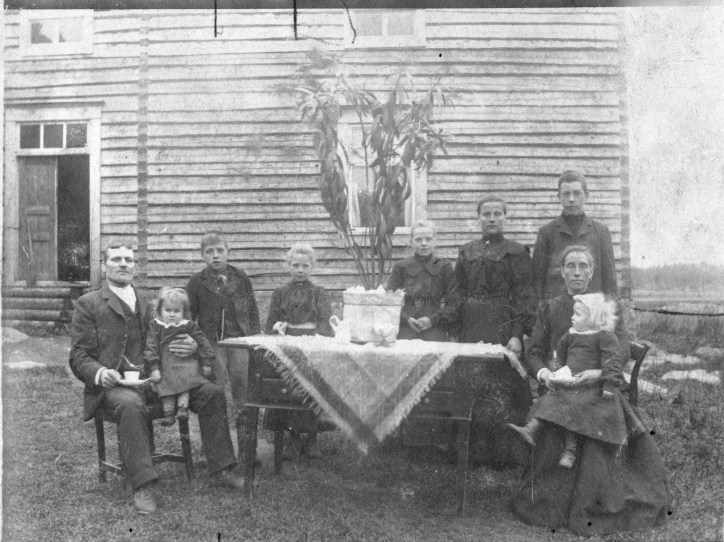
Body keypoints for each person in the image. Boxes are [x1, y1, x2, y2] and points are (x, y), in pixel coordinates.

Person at [69, 243, 244, 515]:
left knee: (211, 393)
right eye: (116, 259)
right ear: (104, 266)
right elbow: (79, 354)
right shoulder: (89, 303)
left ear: (134, 266)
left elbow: (183, 328)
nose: (123, 264)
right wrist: (101, 373)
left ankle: (222, 468)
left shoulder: (151, 300)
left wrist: (193, 345)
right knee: (131, 405)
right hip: (118, 385)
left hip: (163, 378)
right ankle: (142, 485)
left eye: (129, 260)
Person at [512, 245, 670, 536]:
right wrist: (546, 373)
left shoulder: (605, 306)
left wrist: (600, 372)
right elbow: (533, 351)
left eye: (583, 266)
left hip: (599, 387)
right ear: (562, 272)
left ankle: (596, 498)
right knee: (555, 408)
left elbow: (622, 345)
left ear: (591, 271)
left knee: (597, 414)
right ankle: (553, 497)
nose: (576, 272)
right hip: (563, 386)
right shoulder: (549, 308)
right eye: (570, 266)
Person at [451, 196, 537, 467]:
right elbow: (457, 292)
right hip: (471, 326)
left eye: (497, 213)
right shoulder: (467, 251)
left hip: (502, 326)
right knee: (472, 384)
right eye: (486, 214)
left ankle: (504, 455)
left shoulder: (517, 252)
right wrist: (455, 328)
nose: (491, 219)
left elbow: (524, 296)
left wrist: (517, 334)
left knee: (502, 386)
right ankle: (474, 453)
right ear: (478, 218)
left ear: (505, 217)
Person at [508, 293, 630, 469]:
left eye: (578, 314)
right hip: (572, 381)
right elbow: (560, 354)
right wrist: (556, 371)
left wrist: (608, 387)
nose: (572, 318)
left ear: (592, 319)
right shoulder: (572, 335)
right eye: (573, 313)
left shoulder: (605, 337)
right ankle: (530, 429)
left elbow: (612, 363)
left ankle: (570, 450)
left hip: (593, 385)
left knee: (573, 405)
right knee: (552, 398)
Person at [186, 232, 261, 445]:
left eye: (220, 250)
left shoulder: (240, 277)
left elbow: (252, 311)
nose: (216, 256)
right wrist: (195, 342)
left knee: (244, 393)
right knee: (213, 393)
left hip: (239, 343)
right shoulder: (196, 282)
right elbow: (188, 317)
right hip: (211, 345)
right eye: (209, 252)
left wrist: (255, 339)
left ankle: (248, 448)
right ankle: (213, 447)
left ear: (228, 252)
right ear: (202, 255)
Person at [265, 243, 334, 459]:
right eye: (295, 265)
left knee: (312, 389)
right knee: (288, 388)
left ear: (312, 266)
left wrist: (315, 340)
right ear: (289, 266)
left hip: (312, 346)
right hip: (288, 346)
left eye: (305, 266)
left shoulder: (319, 293)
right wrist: (277, 327)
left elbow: (326, 323)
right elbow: (270, 324)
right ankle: (292, 438)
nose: (300, 270)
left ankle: (312, 437)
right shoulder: (280, 293)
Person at [532, 170, 617, 301]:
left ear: (586, 196)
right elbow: (538, 281)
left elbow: (610, 281)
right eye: (566, 194)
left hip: (591, 307)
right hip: (556, 308)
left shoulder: (601, 232)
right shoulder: (546, 232)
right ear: (559, 197)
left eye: (577, 193)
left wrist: (608, 309)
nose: (571, 199)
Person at [144, 287, 215, 427]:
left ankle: (182, 409)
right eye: (167, 310)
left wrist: (207, 362)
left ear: (184, 312)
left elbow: (203, 343)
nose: (172, 315)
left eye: (176, 311)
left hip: (185, 365)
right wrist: (154, 368)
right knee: (165, 386)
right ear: (160, 310)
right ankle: (169, 414)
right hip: (165, 366)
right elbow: (150, 347)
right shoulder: (156, 326)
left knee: (185, 383)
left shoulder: (189, 326)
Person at [386, 220, 457, 342]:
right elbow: (389, 301)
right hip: (407, 327)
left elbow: (454, 302)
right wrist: (407, 319)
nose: (424, 244)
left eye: (428, 239)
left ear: (435, 241)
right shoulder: (401, 267)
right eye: (418, 239)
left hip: (435, 327)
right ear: (411, 242)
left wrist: (432, 320)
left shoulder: (444, 266)